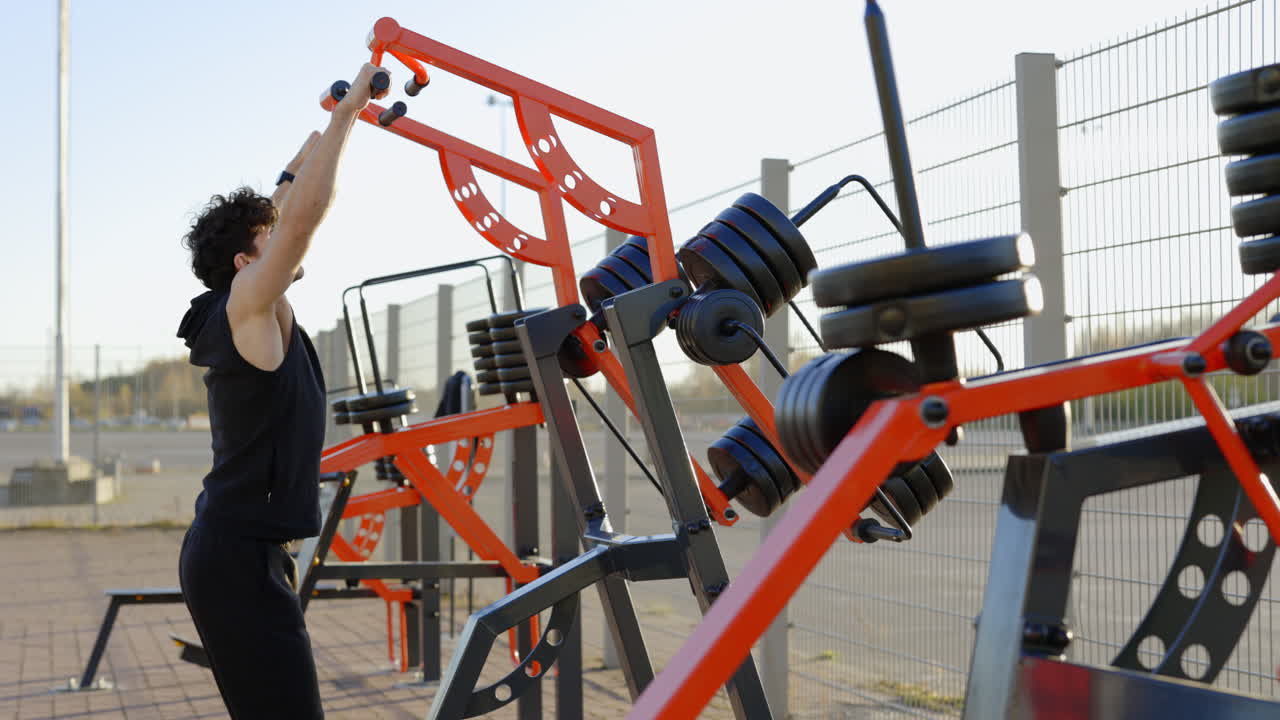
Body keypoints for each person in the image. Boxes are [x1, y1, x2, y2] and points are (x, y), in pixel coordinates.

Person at [174, 62, 389, 719]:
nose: (284, 242)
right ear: (244, 265)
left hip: (244, 552)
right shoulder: (245, 307)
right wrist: (346, 118)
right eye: (266, 243)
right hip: (236, 559)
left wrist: (326, 127)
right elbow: (296, 224)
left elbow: (284, 206)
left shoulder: (252, 305)